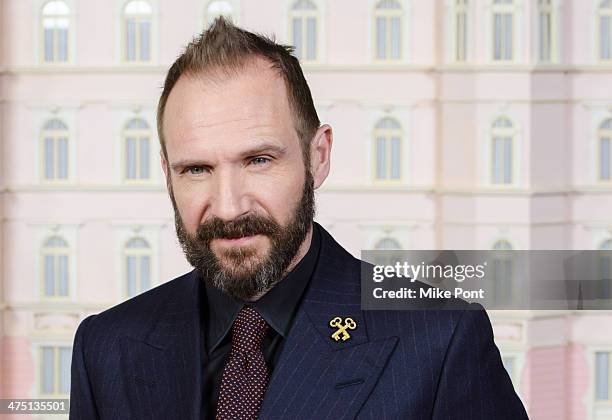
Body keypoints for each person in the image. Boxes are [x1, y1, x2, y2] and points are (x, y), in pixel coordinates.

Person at [69, 17, 528, 420]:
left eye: (259, 160)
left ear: (319, 155)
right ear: (167, 173)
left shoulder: (440, 338)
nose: (229, 207)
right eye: (197, 169)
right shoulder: (105, 347)